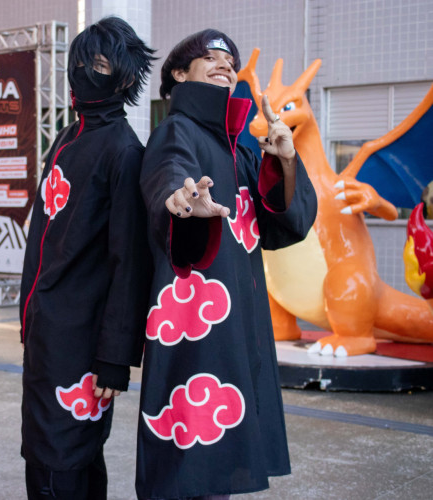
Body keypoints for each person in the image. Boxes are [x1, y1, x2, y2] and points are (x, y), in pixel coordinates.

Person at [136, 30, 317, 499]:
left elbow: (286, 224)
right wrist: (179, 199)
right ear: (179, 73)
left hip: (239, 325)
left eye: (230, 61)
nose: (224, 64)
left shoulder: (243, 148)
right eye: (210, 57)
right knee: (192, 467)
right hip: (194, 326)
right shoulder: (177, 131)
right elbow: (168, 172)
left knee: (221, 461)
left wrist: (287, 160)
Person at [19, 16, 155, 500]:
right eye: (80, 62)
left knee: (64, 457)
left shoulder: (124, 150)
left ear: (123, 78)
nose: (84, 73)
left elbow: (129, 261)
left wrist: (116, 359)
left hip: (83, 338)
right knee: (44, 454)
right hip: (45, 332)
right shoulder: (65, 139)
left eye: (98, 65)